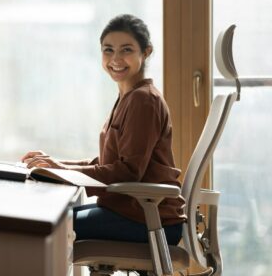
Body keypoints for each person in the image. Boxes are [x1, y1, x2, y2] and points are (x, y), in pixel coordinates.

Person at [21, 14, 186, 246]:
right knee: (50, 217)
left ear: (146, 52)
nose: (115, 59)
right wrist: (58, 166)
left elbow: (128, 172)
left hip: (147, 220)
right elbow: (108, 161)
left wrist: (61, 171)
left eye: (126, 50)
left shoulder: (143, 101)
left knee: (43, 226)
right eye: (108, 50)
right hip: (131, 213)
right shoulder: (128, 96)